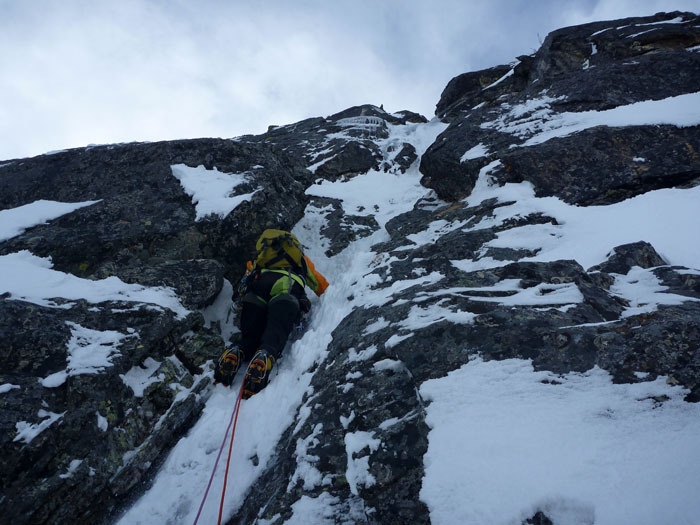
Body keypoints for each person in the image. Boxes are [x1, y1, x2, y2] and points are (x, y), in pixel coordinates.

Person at [215, 229, 328, 398]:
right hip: (286, 288)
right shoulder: (300, 259)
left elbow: (248, 274)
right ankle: (265, 355)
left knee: (250, 336)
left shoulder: (262, 257)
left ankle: (237, 350)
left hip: (257, 289)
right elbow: (320, 285)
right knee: (276, 330)